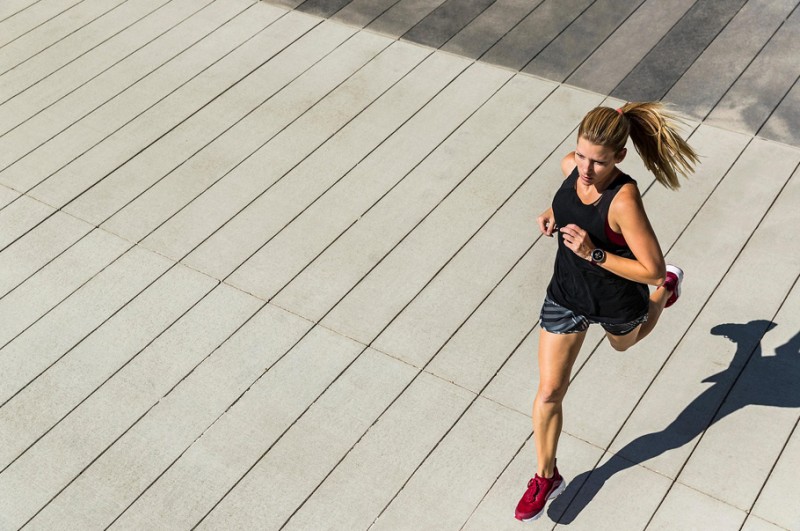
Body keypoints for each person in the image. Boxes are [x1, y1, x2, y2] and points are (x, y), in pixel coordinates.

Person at [514, 102, 699, 522]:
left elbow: (650, 268)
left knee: (624, 344)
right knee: (549, 392)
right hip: (566, 294)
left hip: (617, 298)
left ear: (619, 157)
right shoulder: (572, 167)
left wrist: (593, 253)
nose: (585, 168)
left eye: (597, 162)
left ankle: (668, 293)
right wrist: (552, 212)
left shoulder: (623, 200)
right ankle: (546, 476)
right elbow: (569, 197)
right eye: (581, 155)